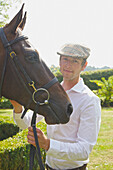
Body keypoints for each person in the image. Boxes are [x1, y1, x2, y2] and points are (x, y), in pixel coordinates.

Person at [11, 44, 101, 170]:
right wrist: (17, 107)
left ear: (84, 66)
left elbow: (84, 150)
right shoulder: (50, 94)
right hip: (49, 166)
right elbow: (26, 123)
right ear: (59, 62)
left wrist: (47, 144)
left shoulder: (90, 100)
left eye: (75, 61)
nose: (68, 65)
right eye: (65, 59)